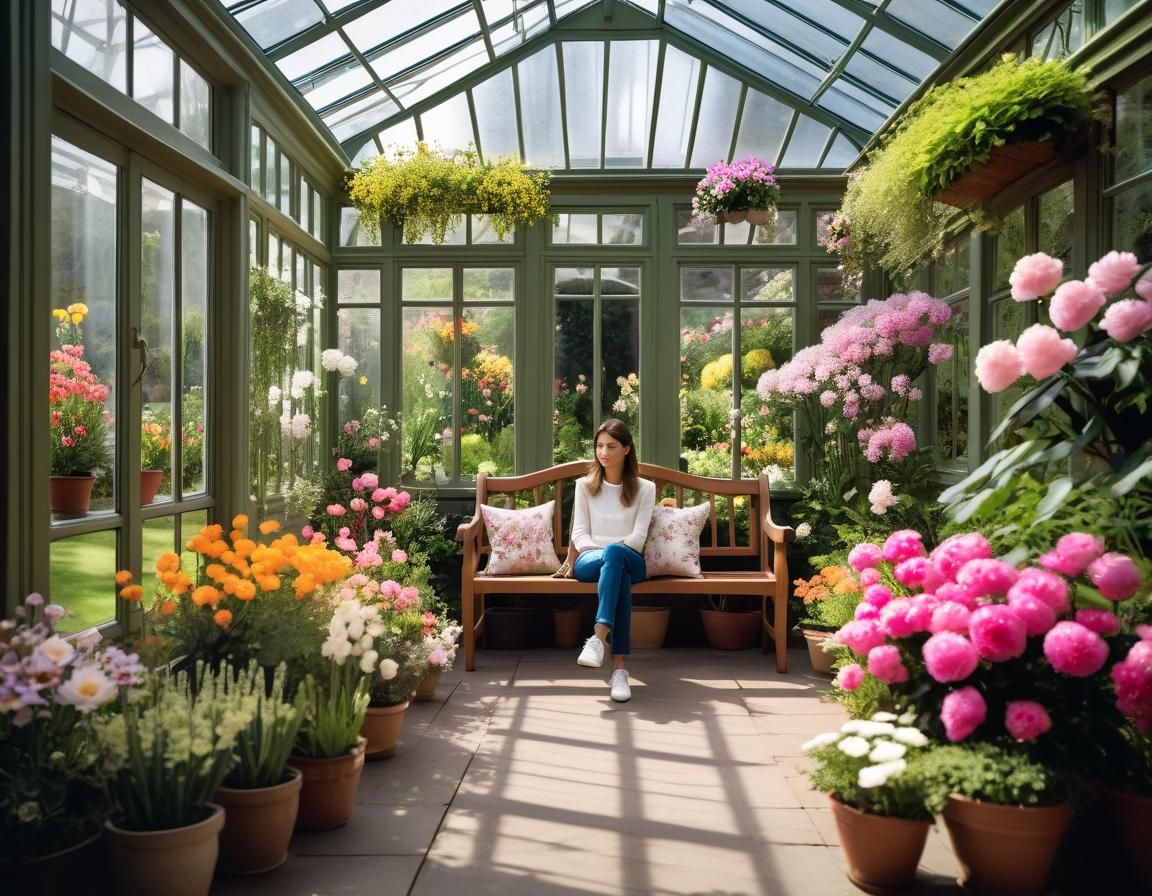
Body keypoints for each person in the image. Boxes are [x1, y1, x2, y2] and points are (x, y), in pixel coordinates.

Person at [554, 418, 654, 702]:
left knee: (617, 561)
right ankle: (619, 668)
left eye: (611, 445)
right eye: (599, 445)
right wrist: (606, 552)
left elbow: (637, 538)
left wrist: (612, 552)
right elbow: (580, 535)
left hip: (631, 559)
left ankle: (598, 638)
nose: (604, 452)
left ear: (626, 449)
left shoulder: (645, 489)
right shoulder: (584, 486)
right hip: (589, 560)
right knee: (615, 567)